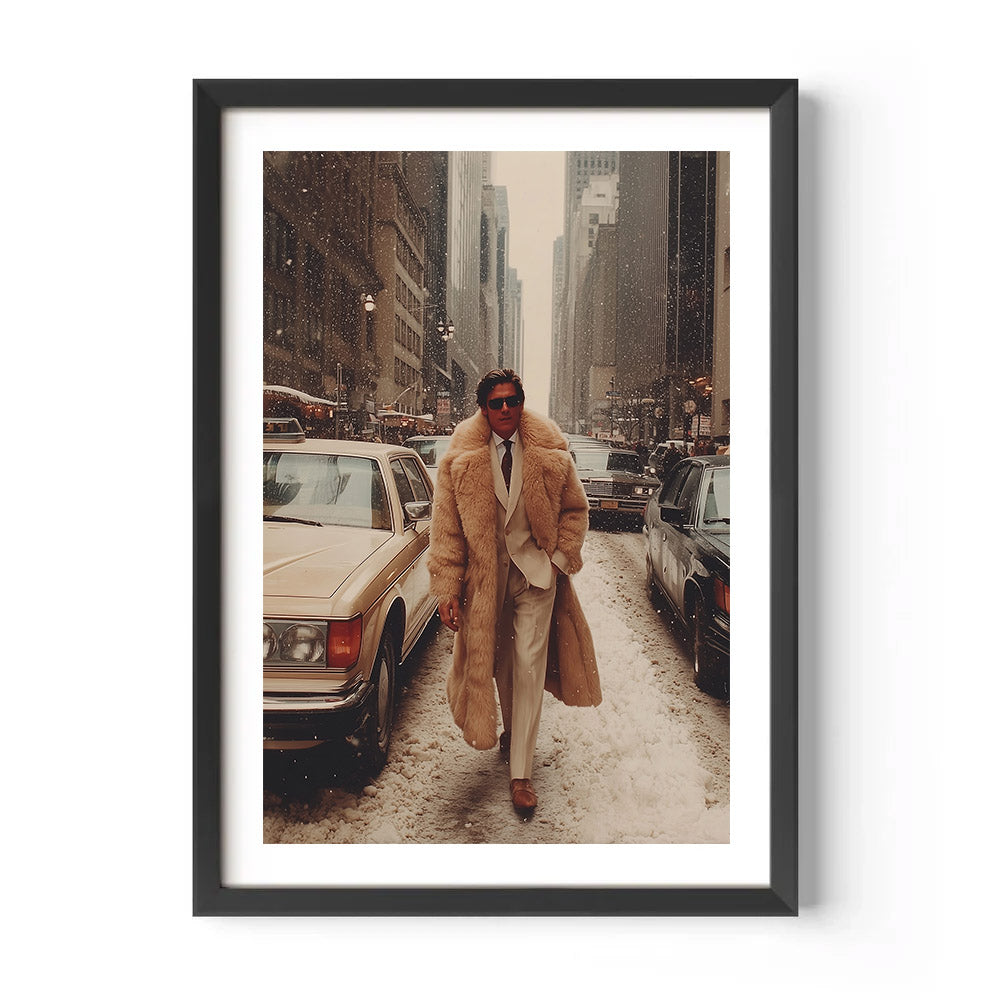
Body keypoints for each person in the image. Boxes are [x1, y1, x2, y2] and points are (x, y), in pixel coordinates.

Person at [428, 368, 601, 814]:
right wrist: (447, 587)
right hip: (486, 581)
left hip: (536, 577)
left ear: (521, 403)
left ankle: (521, 774)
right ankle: (508, 731)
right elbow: (446, 528)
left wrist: (560, 562)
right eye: (496, 403)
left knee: (527, 665)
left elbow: (575, 510)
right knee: (501, 663)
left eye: (512, 401)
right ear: (484, 409)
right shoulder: (462, 457)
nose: (505, 409)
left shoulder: (549, 449)